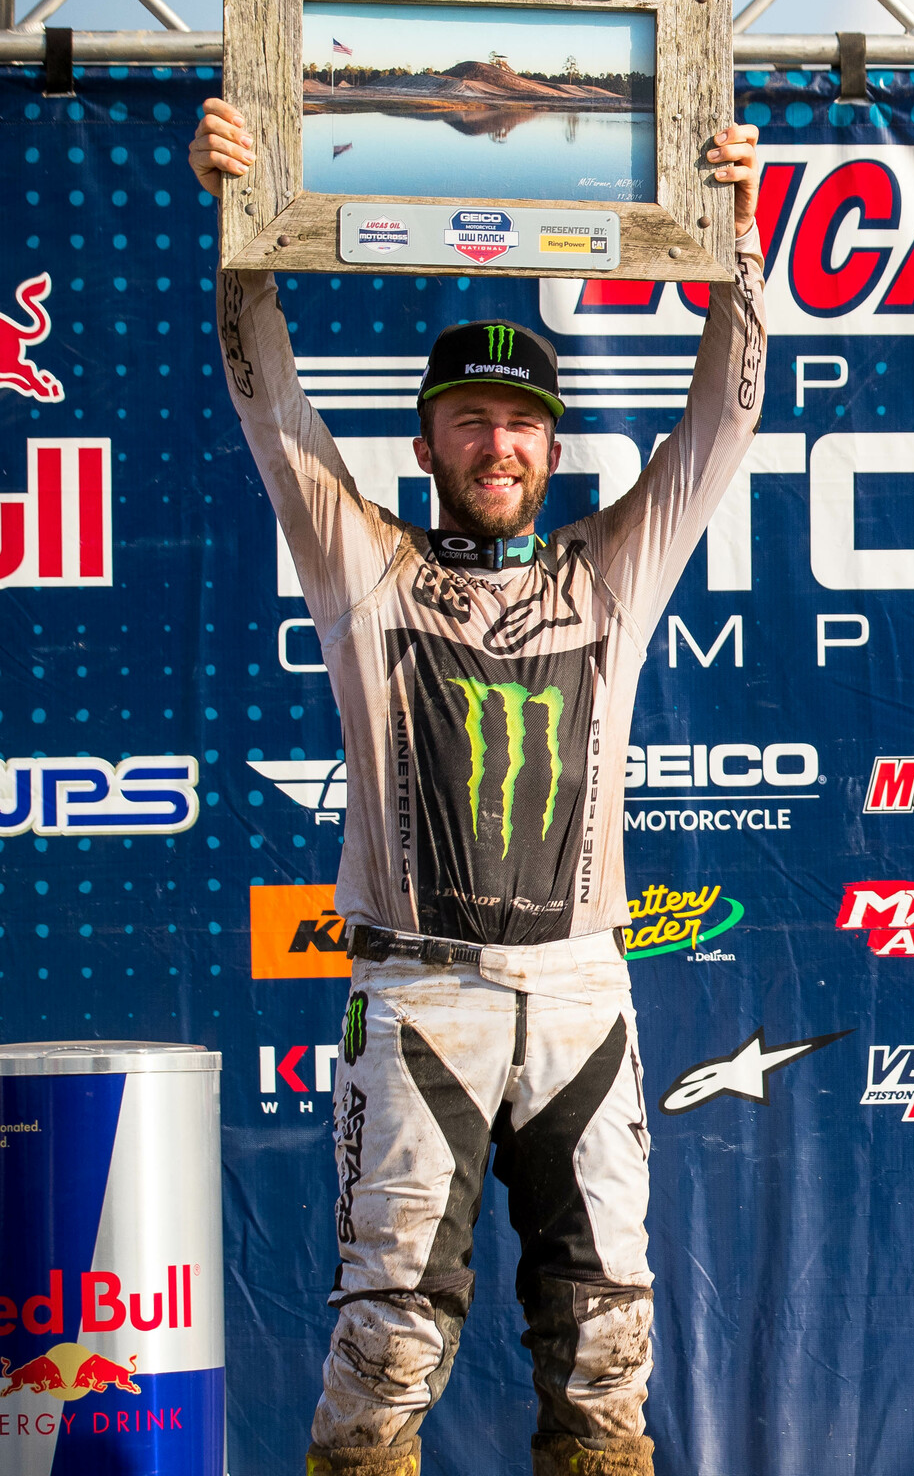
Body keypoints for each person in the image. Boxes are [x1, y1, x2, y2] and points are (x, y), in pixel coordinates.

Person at [189, 98, 765, 1476]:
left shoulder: (610, 574)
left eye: (521, 424)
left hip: (580, 989)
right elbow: (271, 403)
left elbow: (727, 413)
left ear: (554, 449)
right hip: (420, 988)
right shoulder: (367, 565)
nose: (497, 445)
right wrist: (240, 226)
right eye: (468, 422)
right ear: (428, 443)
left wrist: (737, 236)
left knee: (607, 1340)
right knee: (389, 1341)